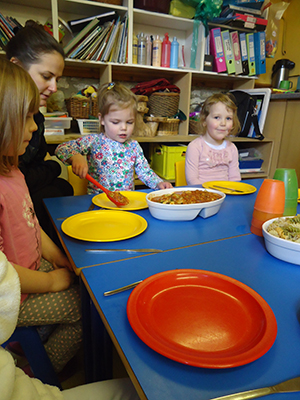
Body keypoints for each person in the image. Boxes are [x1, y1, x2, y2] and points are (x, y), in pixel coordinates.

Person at [0, 58, 82, 375]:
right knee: (81, 307)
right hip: (11, 297)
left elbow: (31, 223)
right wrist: (49, 282)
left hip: (31, 273)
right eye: (26, 118)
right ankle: (36, 375)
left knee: (82, 281)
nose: (35, 127)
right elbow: (3, 274)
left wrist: (58, 258)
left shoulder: (13, 169)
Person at [0, 250, 140, 400]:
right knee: (83, 306)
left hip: (26, 277)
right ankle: (47, 365)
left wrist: (55, 257)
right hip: (16, 300)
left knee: (74, 283)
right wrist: (51, 281)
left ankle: (35, 345)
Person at [5, 20, 74, 244]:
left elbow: (39, 156)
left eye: (57, 79)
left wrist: (51, 165)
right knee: (49, 193)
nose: (54, 88)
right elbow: (20, 175)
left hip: (28, 179)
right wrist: (55, 166)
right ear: (16, 65)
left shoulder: (38, 119)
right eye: (46, 76)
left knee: (64, 187)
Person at [55, 82, 173, 193]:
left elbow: (145, 173)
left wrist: (159, 183)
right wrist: (75, 157)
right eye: (116, 122)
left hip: (126, 202)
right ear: (101, 119)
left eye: (129, 122)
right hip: (98, 202)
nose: (123, 128)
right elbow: (61, 149)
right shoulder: (93, 141)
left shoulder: (134, 146)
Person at [185, 92, 241, 185]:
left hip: (226, 194)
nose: (223, 123)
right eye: (217, 117)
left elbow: (235, 179)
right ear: (204, 120)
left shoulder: (232, 148)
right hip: (202, 195)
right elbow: (192, 180)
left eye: (228, 118)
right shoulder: (195, 147)